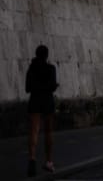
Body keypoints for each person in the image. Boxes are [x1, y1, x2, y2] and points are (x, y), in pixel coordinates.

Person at [25, 44, 58, 177]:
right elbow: (52, 86)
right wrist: (50, 86)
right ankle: (49, 161)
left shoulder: (31, 69)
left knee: (34, 131)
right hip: (47, 101)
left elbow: (27, 88)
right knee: (48, 131)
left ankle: (32, 158)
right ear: (46, 55)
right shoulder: (51, 68)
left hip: (35, 101)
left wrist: (37, 87)